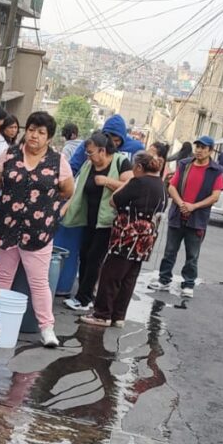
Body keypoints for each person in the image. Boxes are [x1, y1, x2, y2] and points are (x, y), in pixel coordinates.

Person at [0, 110, 74, 348]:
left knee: (38, 282)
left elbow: (67, 190)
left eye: (41, 132)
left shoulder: (58, 161)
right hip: (8, 225)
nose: (34, 136)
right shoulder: (10, 154)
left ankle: (47, 328)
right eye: (31, 130)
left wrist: (44, 206)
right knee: (3, 277)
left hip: (38, 231)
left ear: (49, 137)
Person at [81, 151, 167, 328]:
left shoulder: (138, 182)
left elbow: (114, 200)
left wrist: (127, 182)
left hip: (128, 233)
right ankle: (118, 315)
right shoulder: (160, 184)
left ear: (139, 166)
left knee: (111, 274)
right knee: (130, 276)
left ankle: (102, 314)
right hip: (147, 235)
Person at [62, 130, 133, 311]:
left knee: (95, 258)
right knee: (84, 255)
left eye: (91, 152)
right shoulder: (89, 165)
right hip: (89, 218)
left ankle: (83, 299)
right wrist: (64, 208)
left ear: (102, 150)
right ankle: (85, 294)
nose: (88, 156)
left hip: (108, 221)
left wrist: (107, 181)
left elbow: (131, 186)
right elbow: (78, 190)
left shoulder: (120, 162)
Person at [149, 135, 223, 297]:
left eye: (203, 148)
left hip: (197, 219)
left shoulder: (216, 171)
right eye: (197, 147)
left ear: (210, 151)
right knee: (170, 251)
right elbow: (172, 187)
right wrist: (181, 203)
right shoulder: (184, 164)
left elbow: (215, 196)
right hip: (177, 215)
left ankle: (188, 284)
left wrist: (194, 206)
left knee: (192, 255)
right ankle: (164, 279)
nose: (199, 150)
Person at [68, 112, 142, 175]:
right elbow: (73, 168)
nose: (113, 143)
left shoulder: (135, 148)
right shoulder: (91, 144)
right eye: (109, 139)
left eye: (117, 140)